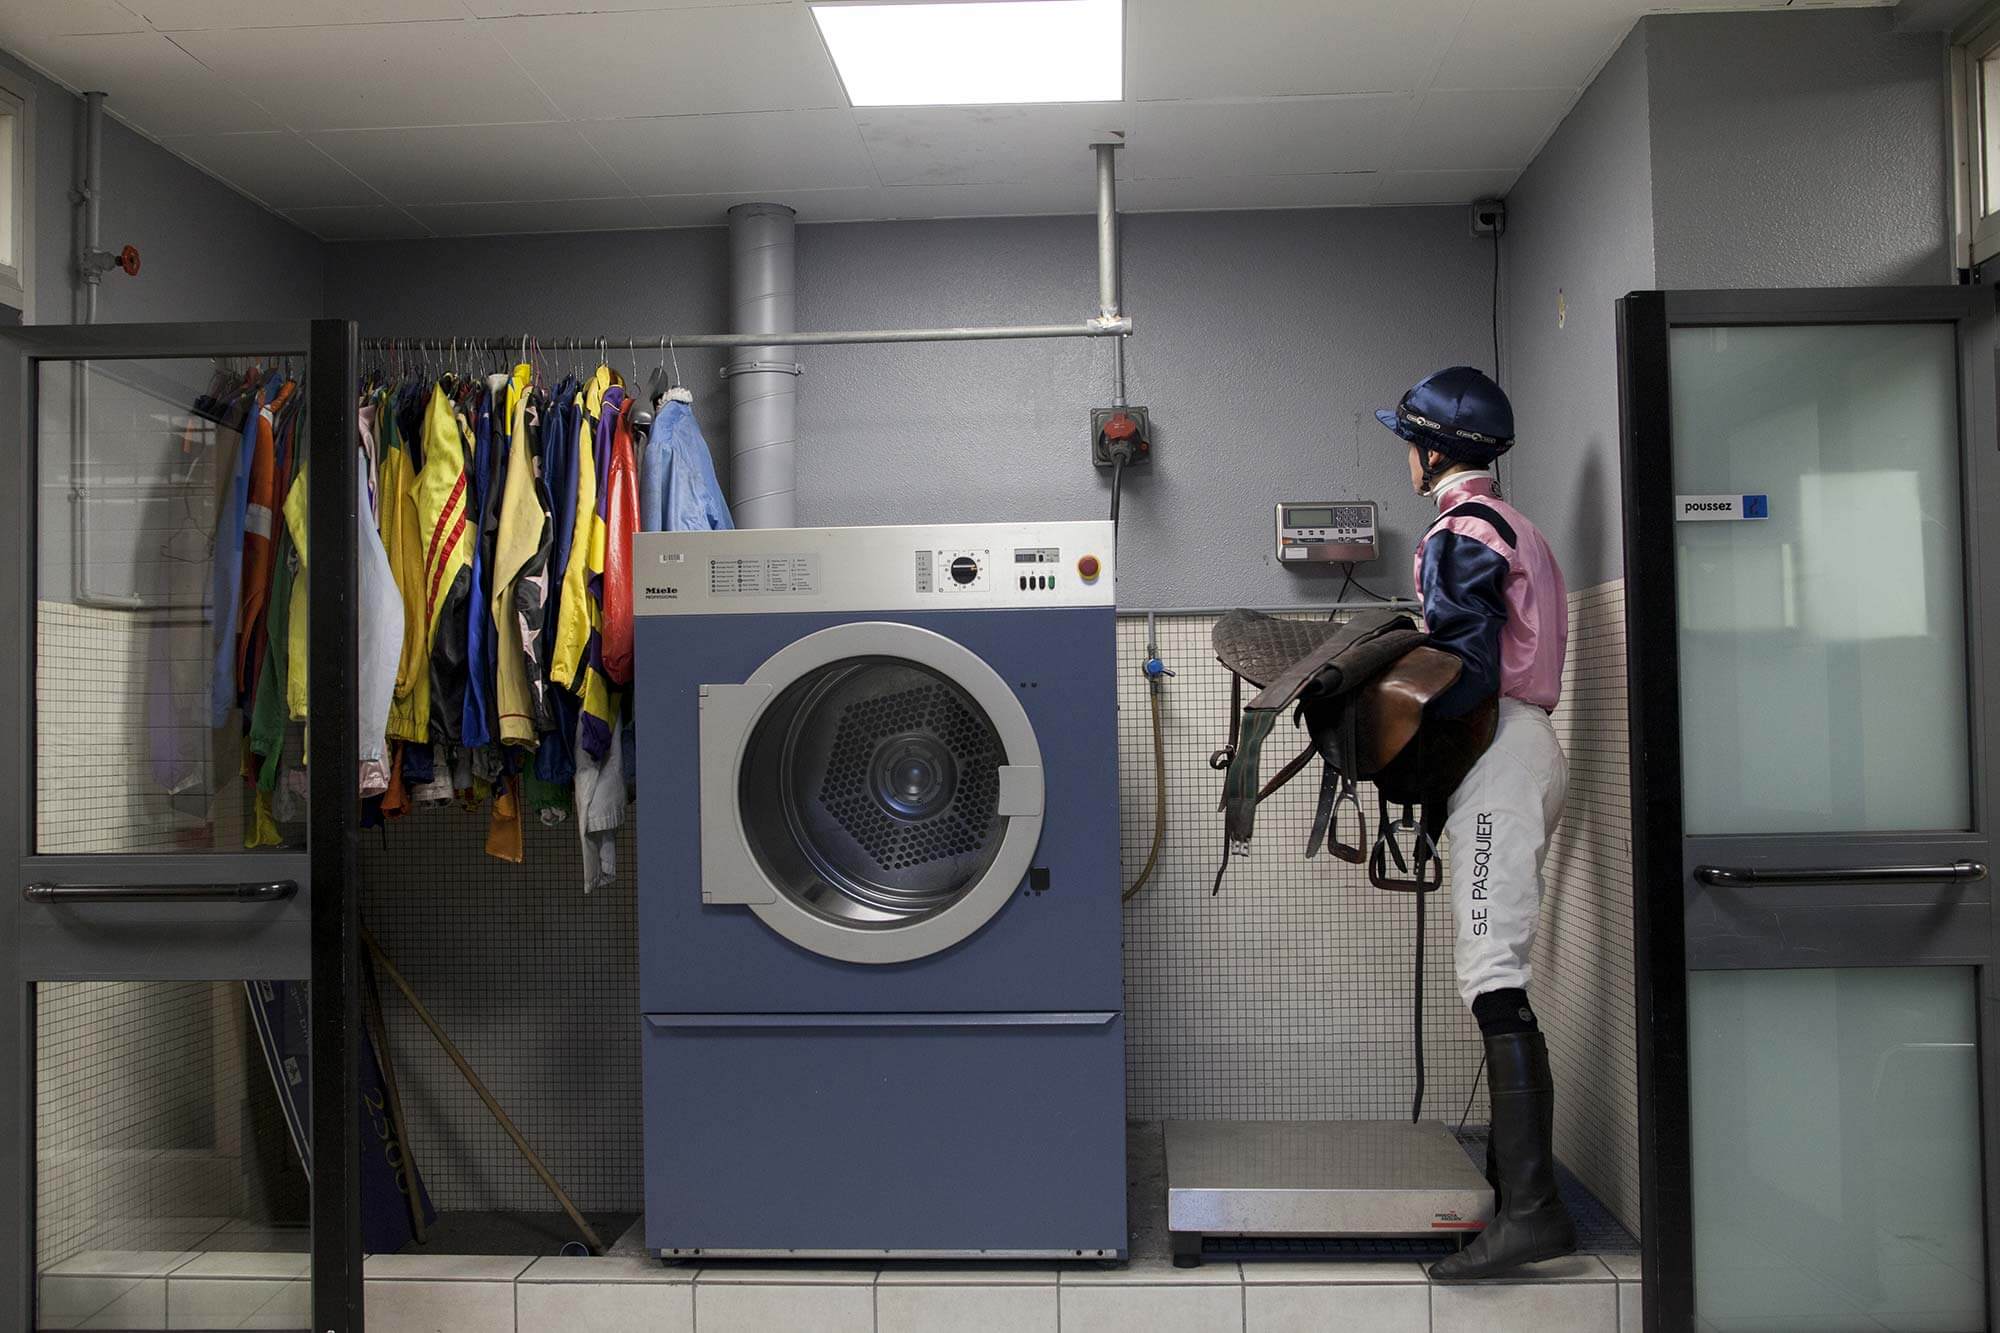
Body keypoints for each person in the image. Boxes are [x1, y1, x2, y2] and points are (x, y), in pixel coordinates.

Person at [1374, 366, 1576, 1281]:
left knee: (1492, 969)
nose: (1406, 458)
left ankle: (1533, 1211)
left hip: (1501, 755)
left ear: (1433, 451)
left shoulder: (1461, 532)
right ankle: (1514, 1189)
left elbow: (1464, 668)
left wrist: (1400, 728)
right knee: (1494, 962)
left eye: (1409, 443)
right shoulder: (1519, 526)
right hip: (1523, 745)